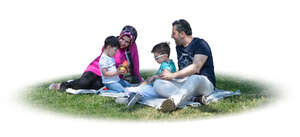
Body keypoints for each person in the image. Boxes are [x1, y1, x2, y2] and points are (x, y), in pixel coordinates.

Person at [49, 25, 142, 91]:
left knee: (95, 86)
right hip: (96, 68)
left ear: (131, 43)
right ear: (120, 35)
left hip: (111, 76)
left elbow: (135, 62)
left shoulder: (131, 48)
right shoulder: (112, 43)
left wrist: (137, 77)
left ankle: (75, 83)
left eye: (127, 41)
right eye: (122, 39)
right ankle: (62, 85)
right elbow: (105, 55)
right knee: (84, 83)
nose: (123, 43)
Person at [153, 19, 216, 113]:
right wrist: (168, 75)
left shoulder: (201, 44)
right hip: (186, 83)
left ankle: (173, 102)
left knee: (195, 78)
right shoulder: (179, 47)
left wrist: (173, 75)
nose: (171, 36)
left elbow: (196, 67)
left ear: (182, 34)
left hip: (204, 83)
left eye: (173, 33)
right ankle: (193, 99)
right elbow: (183, 71)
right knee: (158, 84)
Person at [125, 42, 177, 106]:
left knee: (142, 90)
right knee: (145, 84)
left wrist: (155, 76)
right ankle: (136, 91)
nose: (155, 59)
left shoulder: (166, 65)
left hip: (159, 90)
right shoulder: (170, 63)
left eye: (156, 57)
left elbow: (166, 75)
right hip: (159, 88)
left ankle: (132, 92)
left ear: (165, 56)